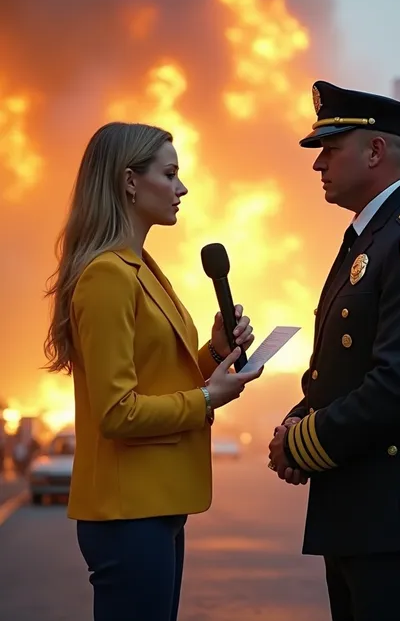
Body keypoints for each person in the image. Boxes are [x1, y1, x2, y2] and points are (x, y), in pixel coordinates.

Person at [268, 81, 400, 621]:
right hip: (363, 511)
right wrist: (296, 420)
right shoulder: (369, 238)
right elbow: (341, 368)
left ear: (375, 151)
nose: (319, 165)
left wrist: (305, 444)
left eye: (330, 149)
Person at [44, 121, 263, 621]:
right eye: (170, 173)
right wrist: (210, 398)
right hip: (128, 514)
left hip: (152, 507)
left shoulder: (138, 267)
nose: (182, 188)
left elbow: (160, 373)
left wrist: (214, 353)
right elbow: (118, 412)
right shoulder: (107, 276)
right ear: (129, 182)